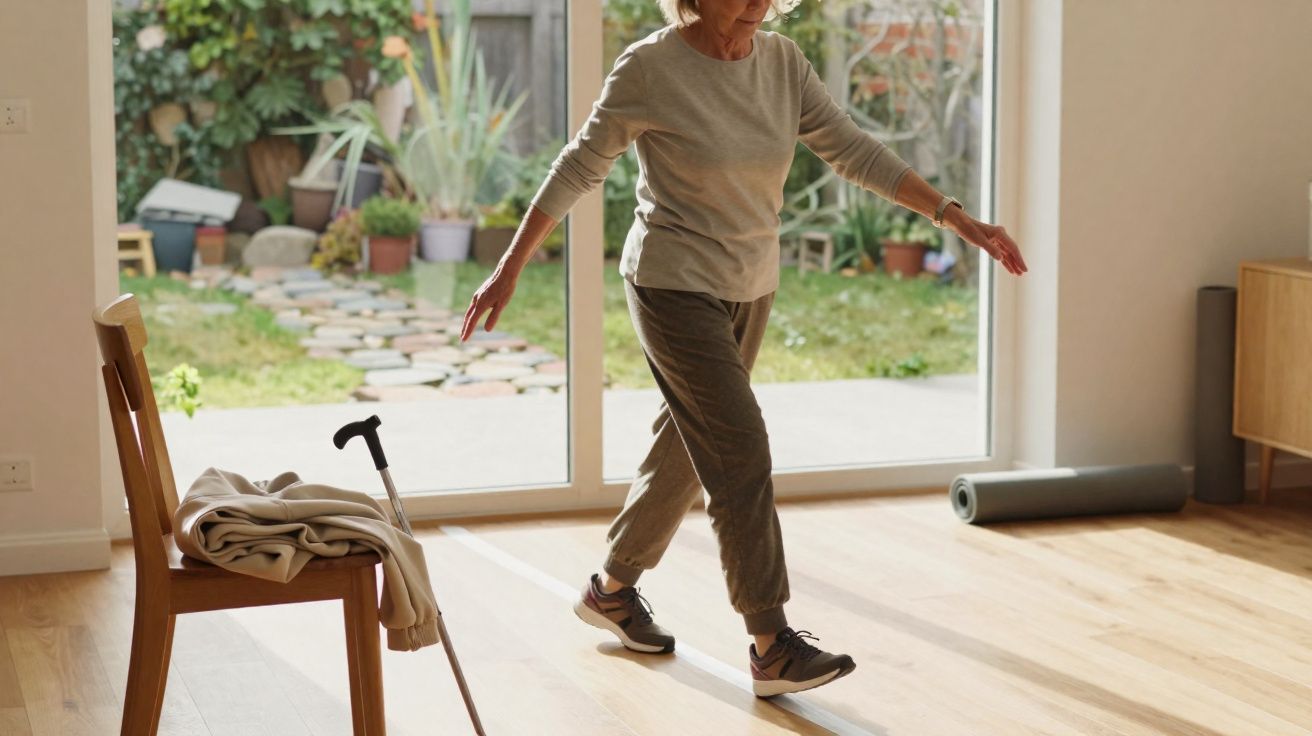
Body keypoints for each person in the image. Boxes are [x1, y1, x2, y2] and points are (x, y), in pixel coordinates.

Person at [459, 0, 1027, 698]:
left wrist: (952, 215)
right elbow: (581, 165)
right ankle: (770, 641)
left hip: (749, 285)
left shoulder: (782, 62)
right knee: (738, 445)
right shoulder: (651, 67)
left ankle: (611, 588)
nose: (759, 3)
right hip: (671, 285)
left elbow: (851, 148)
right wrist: (509, 267)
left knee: (689, 450)